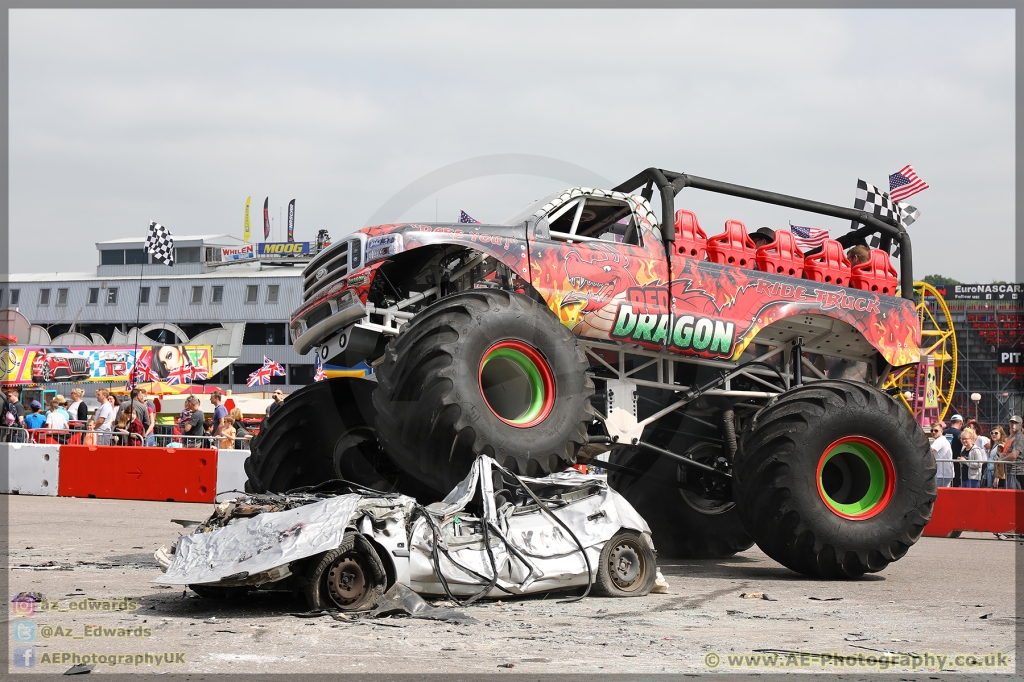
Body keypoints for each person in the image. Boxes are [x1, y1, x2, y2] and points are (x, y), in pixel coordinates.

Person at [1000, 415, 1024, 489]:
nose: (1013, 424)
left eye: (1016, 423)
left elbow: (1014, 455)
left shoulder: (1019, 437)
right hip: (1009, 471)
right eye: (1011, 422)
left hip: (1017, 471)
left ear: (1021, 425)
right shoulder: (1010, 437)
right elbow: (1004, 454)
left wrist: (1001, 460)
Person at [945, 415, 964, 486]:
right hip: (956, 461)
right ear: (960, 423)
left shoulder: (944, 432)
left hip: (945, 460)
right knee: (955, 482)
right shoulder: (960, 433)